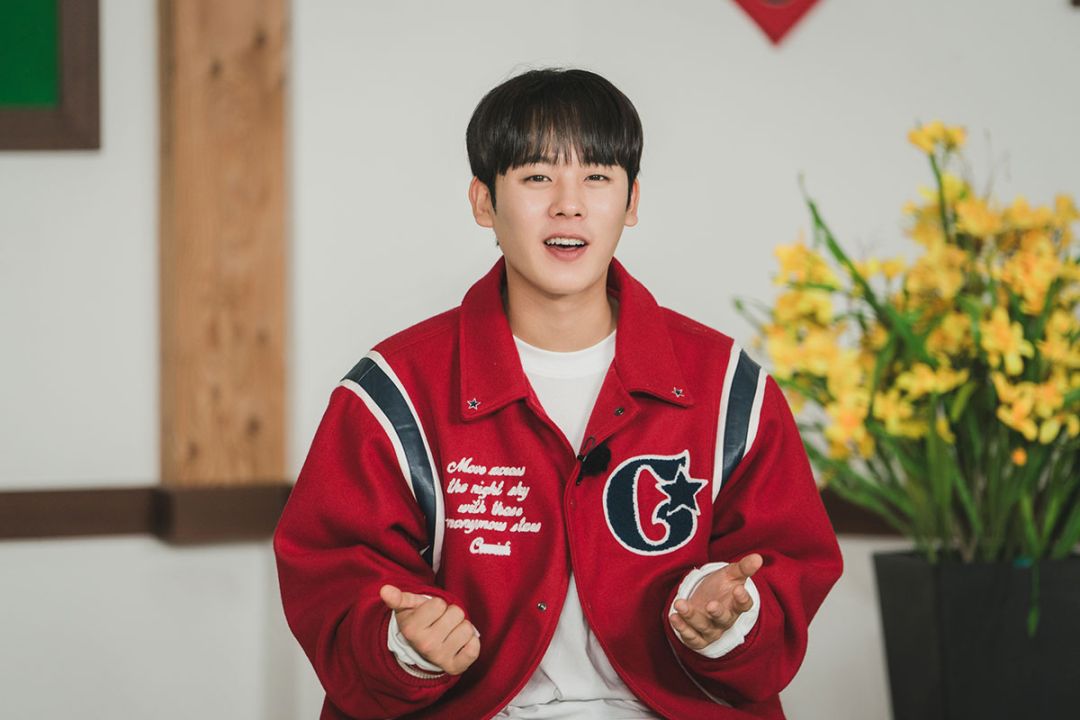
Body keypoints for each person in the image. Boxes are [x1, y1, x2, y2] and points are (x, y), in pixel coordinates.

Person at [273, 66, 843, 720]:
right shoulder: (392, 392)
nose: (569, 205)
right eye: (537, 177)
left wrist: (732, 621)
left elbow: (786, 569)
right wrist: (404, 644)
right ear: (483, 202)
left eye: (597, 177)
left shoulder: (728, 387)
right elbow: (333, 582)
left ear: (631, 202)